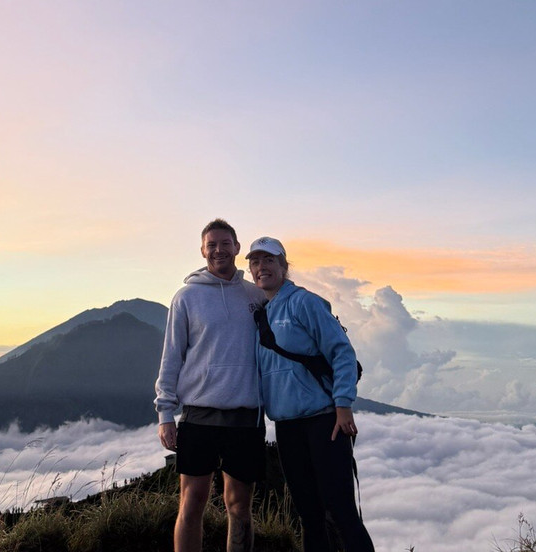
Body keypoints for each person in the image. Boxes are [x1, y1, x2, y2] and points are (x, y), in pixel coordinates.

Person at [246, 236, 375, 552]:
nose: (262, 267)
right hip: (287, 427)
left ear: (284, 266)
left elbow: (341, 352)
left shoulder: (304, 302)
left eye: (269, 260)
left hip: (325, 421)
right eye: (255, 261)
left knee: (342, 512)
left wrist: (343, 405)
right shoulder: (261, 313)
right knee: (309, 515)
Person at [155, 218, 267, 552]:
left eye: (225, 243)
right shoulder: (187, 297)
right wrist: (165, 414)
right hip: (199, 415)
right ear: (203, 250)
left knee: (240, 508)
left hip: (246, 416)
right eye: (211, 244)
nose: (218, 250)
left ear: (237, 247)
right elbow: (171, 356)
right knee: (191, 504)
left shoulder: (255, 295)